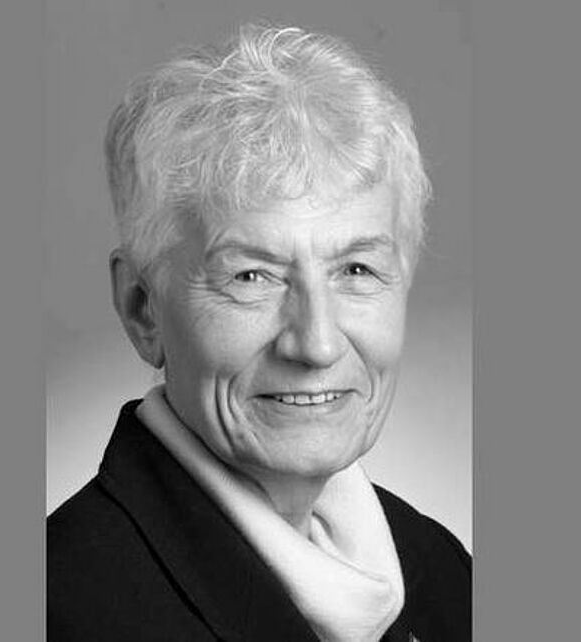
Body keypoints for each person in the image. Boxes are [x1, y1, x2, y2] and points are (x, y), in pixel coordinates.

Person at [47, 23, 471, 642]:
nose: (317, 344)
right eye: (251, 276)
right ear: (142, 309)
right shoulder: (57, 606)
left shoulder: (444, 572)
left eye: (356, 269)